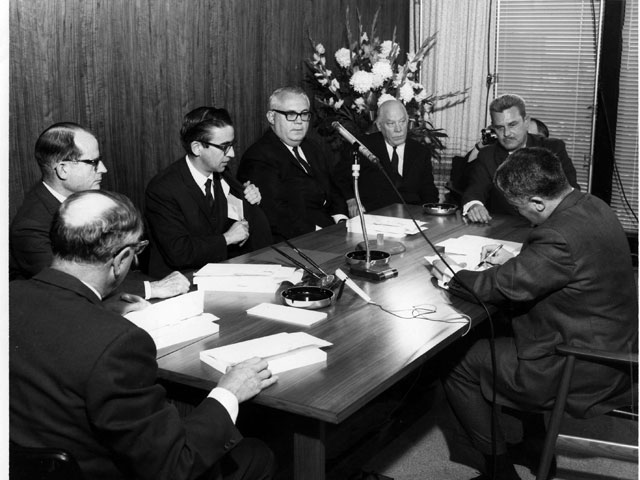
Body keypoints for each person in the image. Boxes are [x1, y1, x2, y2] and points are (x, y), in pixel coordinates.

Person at [10, 190, 278, 480]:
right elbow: (175, 465)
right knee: (255, 453)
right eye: (137, 251)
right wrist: (228, 393)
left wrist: (97, 308)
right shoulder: (119, 344)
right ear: (122, 259)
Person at [432, 147, 637, 480]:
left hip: (583, 363)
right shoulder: (593, 204)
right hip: (616, 345)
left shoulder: (557, 236)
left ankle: (499, 472)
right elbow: (561, 264)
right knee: (503, 329)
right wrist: (518, 262)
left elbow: (500, 287)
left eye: (518, 207)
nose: (520, 214)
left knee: (456, 362)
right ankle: (535, 443)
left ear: (539, 202)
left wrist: (452, 276)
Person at [9, 122, 189, 311]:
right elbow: (73, 284)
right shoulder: (30, 225)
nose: (103, 169)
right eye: (93, 162)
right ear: (63, 169)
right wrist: (151, 288)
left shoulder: (89, 199)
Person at [145, 107, 272, 278]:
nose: (232, 154)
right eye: (224, 147)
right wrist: (226, 238)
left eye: (232, 145)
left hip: (221, 273)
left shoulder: (224, 176)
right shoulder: (162, 189)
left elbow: (252, 227)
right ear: (197, 148)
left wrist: (251, 198)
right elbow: (179, 252)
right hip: (179, 281)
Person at [237, 86, 347, 241]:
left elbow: (333, 189)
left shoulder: (312, 147)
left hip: (331, 231)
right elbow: (274, 213)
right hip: (296, 241)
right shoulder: (258, 157)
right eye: (290, 115)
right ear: (271, 117)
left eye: (304, 114)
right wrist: (320, 233)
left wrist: (341, 219)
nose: (299, 122)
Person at [462, 94, 579, 223]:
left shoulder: (553, 148)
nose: (507, 133)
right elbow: (474, 192)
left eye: (512, 125)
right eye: (500, 127)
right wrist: (474, 205)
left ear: (526, 121)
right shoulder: (487, 155)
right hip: (505, 230)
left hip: (551, 226)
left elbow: (571, 192)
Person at [335, 99, 439, 217]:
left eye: (402, 122)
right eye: (391, 123)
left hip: (412, 217)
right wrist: (351, 200)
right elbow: (340, 179)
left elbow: (429, 190)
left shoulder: (420, 151)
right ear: (379, 126)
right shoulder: (363, 148)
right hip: (373, 216)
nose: (398, 129)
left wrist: (429, 216)